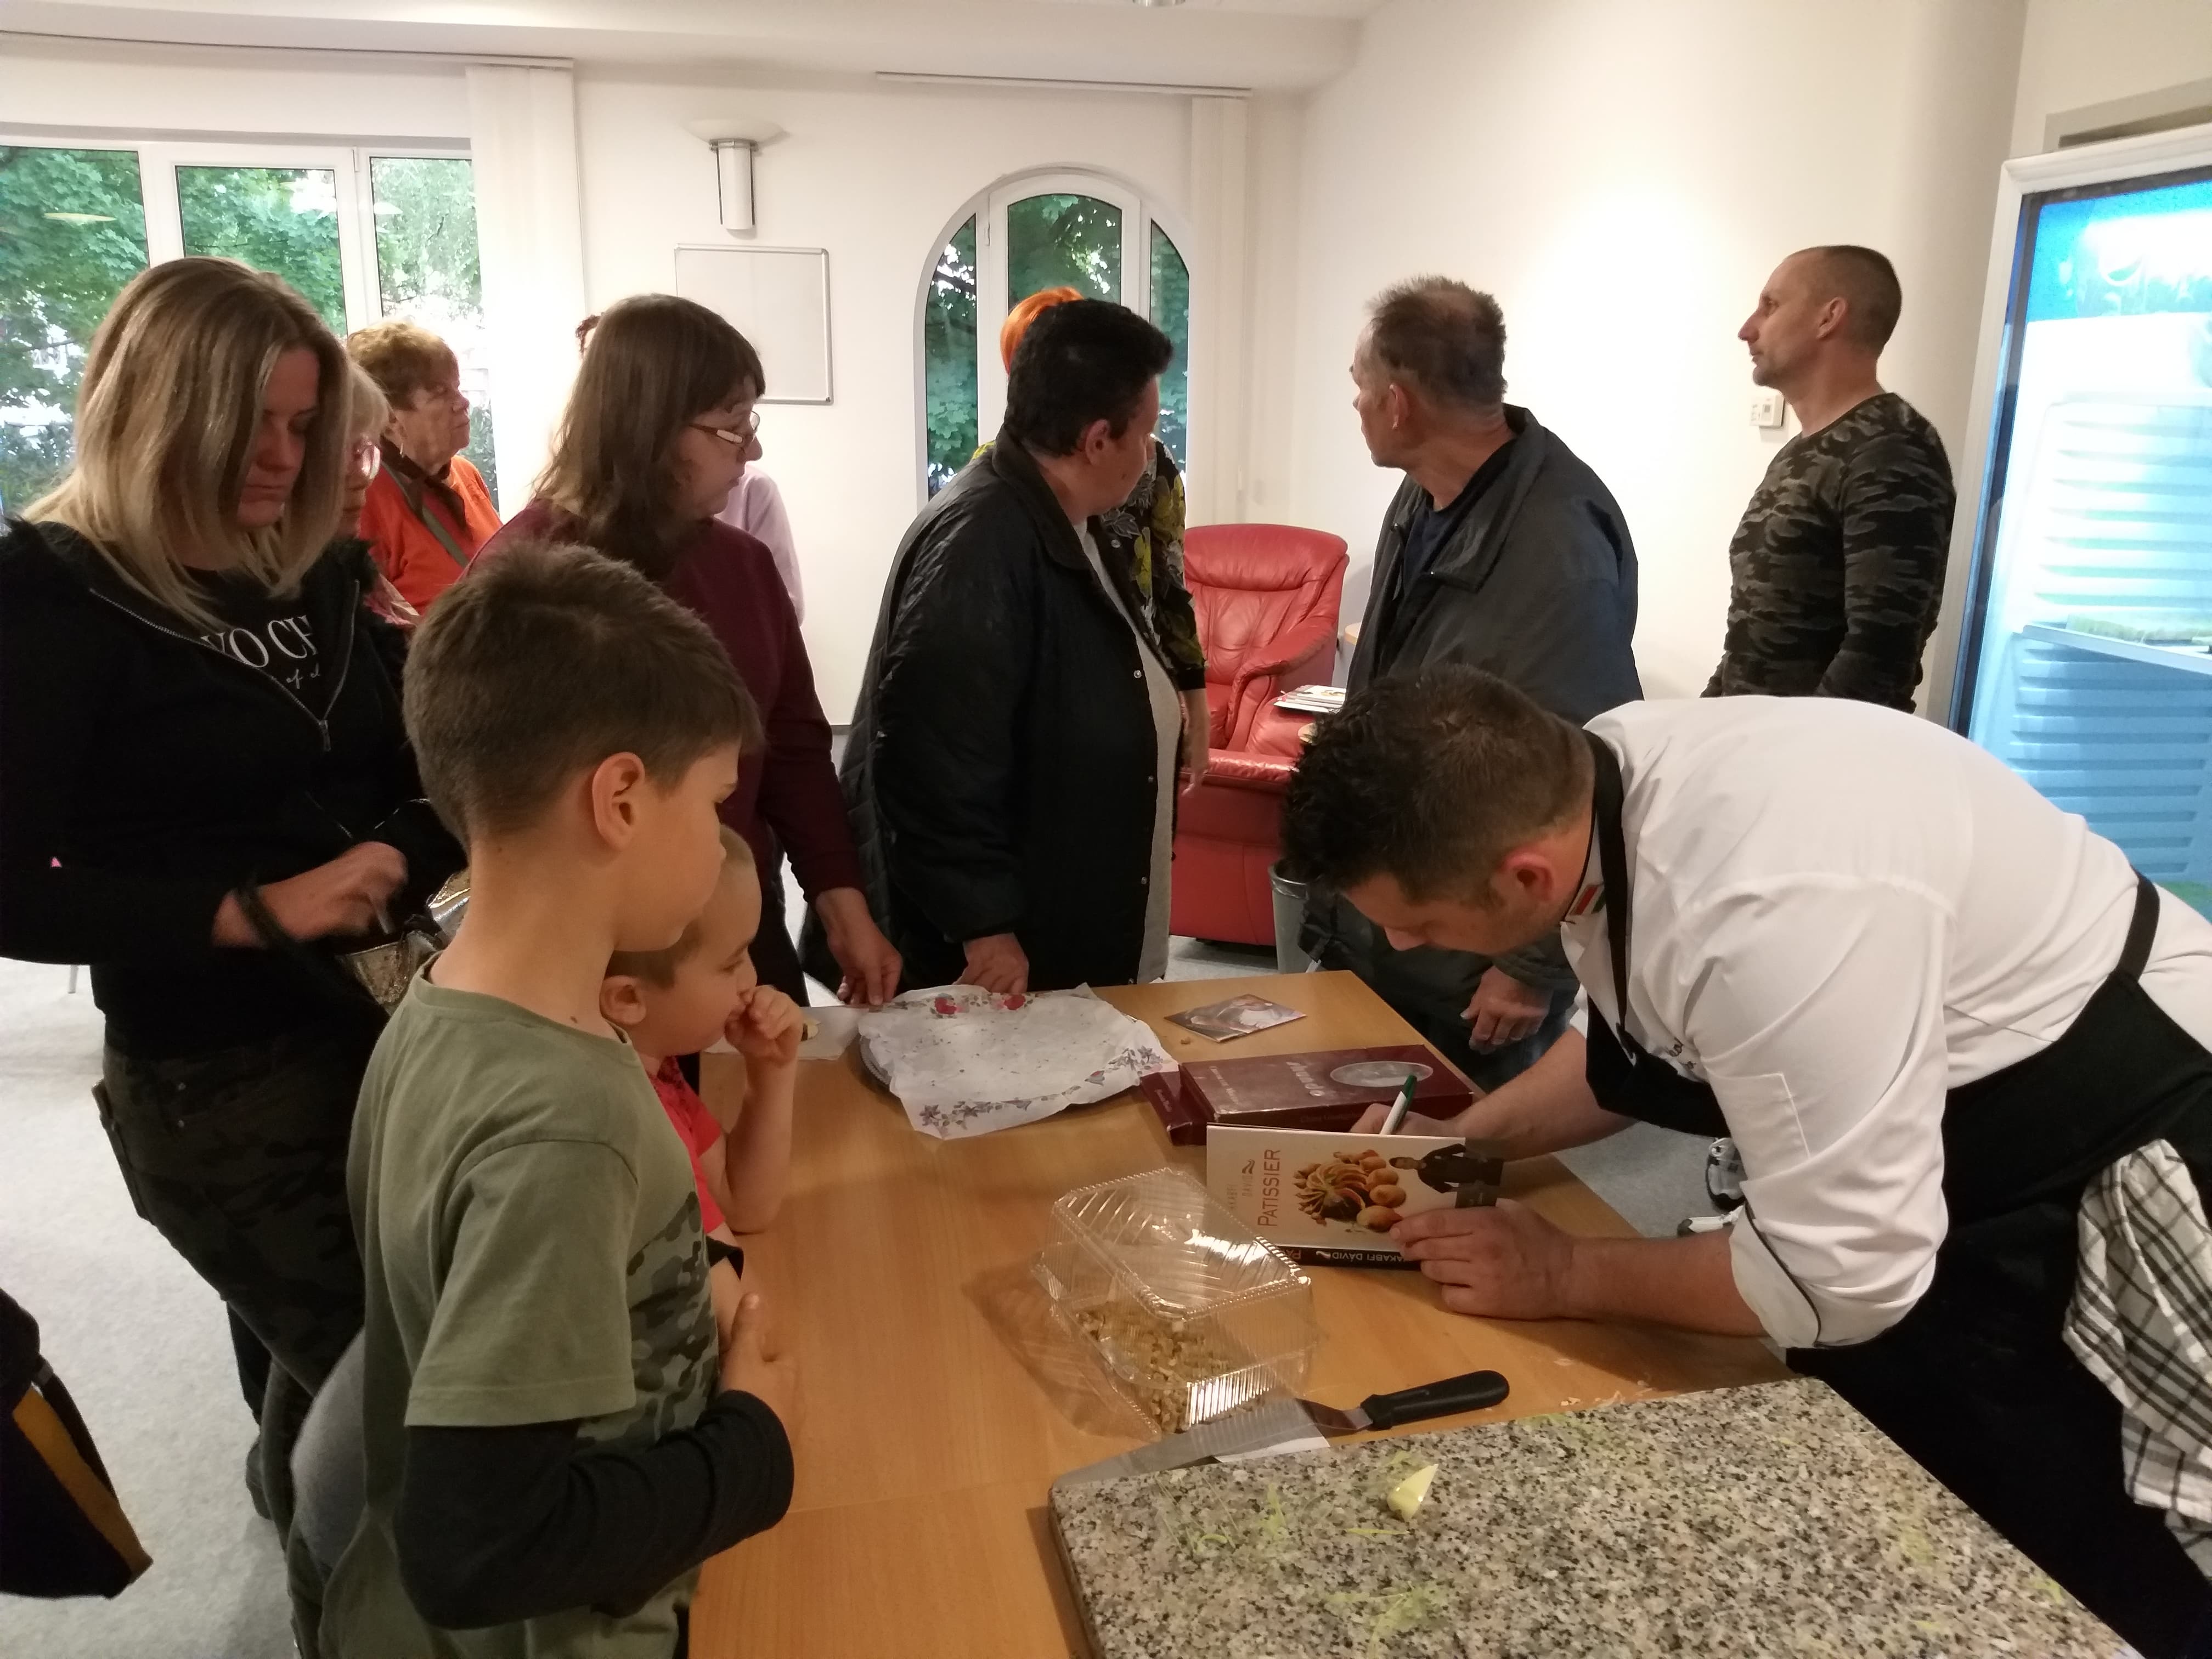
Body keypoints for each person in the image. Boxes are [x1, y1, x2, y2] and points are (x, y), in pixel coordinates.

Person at [1279, 664, 2212, 1654]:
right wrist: (1467, 1140)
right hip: (1946, 1137)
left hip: (2109, 1138)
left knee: (2059, 1554)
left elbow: (1842, 1275)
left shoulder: (1770, 908)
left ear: (1524, 878)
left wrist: (1564, 1271)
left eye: (1418, 922)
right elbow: (1644, 1044)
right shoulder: (1600, 776)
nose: (1397, 942)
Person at [0, 257, 464, 1651]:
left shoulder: (314, 567)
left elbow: (402, 768)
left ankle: (304, 1533)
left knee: (338, 1372)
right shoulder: (51, 597)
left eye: (304, 426)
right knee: (404, 1410)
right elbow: (13, 889)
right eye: (254, 425)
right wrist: (252, 909)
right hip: (218, 1081)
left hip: (373, 1029)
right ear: (162, 412)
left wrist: (403, 843)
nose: (284, 457)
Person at [323, 541, 798, 1658]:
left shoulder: (444, 1004)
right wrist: (754, 1446)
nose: (725, 838)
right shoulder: (565, 1122)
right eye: (713, 802)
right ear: (622, 798)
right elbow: (480, 1548)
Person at [489, 295, 900, 1008]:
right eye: (732, 427)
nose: (753, 451)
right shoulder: (528, 575)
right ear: (648, 426)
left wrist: (843, 904)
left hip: (735, 927)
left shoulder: (744, 566)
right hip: (594, 960)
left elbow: (794, 749)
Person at [1305, 276, 1641, 1091]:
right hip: (1396, 911)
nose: (1355, 404)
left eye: (1359, 386)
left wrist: (1532, 968)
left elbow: (1587, 771)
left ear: (1398, 403)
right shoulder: (1423, 492)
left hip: (1473, 948)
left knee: (1465, 1148)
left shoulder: (1558, 546)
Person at [838, 298, 1180, 994]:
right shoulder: (982, 540)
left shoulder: (1070, 516)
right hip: (1013, 951)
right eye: (1145, 433)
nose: (1150, 454)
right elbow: (933, 759)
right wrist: (984, 924)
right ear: (1097, 441)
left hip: (1069, 912)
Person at [1707, 245, 1956, 710]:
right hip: (1750, 741)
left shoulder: (1892, 449)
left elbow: (1879, 655)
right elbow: (1751, 630)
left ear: (1829, 318)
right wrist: (1704, 725)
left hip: (1815, 749)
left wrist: (1794, 748)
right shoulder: (1798, 453)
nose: (1747, 329)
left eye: (1770, 305)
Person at [993, 287, 1210, 786]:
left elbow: (1171, 584)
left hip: (1141, 677)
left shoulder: (1151, 463)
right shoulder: (1001, 482)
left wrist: (1195, 701)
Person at [602, 825, 802, 1319]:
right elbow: (742, 1321)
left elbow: (743, 1204)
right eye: (732, 963)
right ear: (627, 998)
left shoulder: (654, 1067)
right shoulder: (636, 1117)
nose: (752, 980)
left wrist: (771, 1070)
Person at [577, 310, 806, 620]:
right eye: (735, 428)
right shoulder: (535, 581)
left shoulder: (746, 560)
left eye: (749, 426)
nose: (754, 452)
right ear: (652, 431)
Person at [347, 320, 502, 613]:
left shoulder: (464, 473)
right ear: (389, 417)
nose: (463, 402)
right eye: (441, 393)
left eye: (457, 387)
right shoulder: (363, 498)